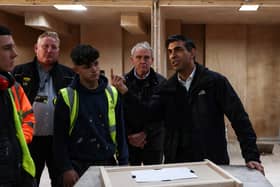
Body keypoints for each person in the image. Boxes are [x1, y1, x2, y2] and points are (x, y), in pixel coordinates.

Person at [157, 34, 264, 174]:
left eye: (178, 50)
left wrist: (251, 156)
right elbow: (151, 115)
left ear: (192, 52)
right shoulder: (167, 88)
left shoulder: (215, 82)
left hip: (212, 160)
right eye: (170, 52)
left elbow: (239, 118)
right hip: (177, 163)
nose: (172, 56)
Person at [53, 44, 128, 187]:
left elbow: (120, 132)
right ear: (76, 69)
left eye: (96, 64)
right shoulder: (67, 96)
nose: (94, 70)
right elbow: (59, 139)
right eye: (87, 66)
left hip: (107, 161)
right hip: (78, 165)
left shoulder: (111, 93)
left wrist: (124, 162)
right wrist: (66, 168)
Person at [13, 31, 75, 186]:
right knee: (29, 180)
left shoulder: (68, 75)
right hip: (30, 139)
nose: (49, 50)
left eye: (53, 47)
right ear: (36, 48)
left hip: (58, 140)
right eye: (45, 46)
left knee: (60, 181)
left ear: (58, 51)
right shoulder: (19, 72)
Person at [111, 41, 166, 165]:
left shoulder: (162, 83)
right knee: (129, 179)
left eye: (146, 57)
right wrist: (130, 135)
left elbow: (160, 115)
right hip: (129, 142)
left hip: (153, 142)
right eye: (139, 57)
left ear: (152, 60)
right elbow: (119, 114)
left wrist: (145, 133)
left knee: (154, 179)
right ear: (132, 60)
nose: (143, 61)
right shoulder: (121, 82)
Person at [0, 25, 36, 186]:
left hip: (17, 172)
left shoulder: (7, 87)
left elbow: (27, 115)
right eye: (7, 48)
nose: (15, 54)